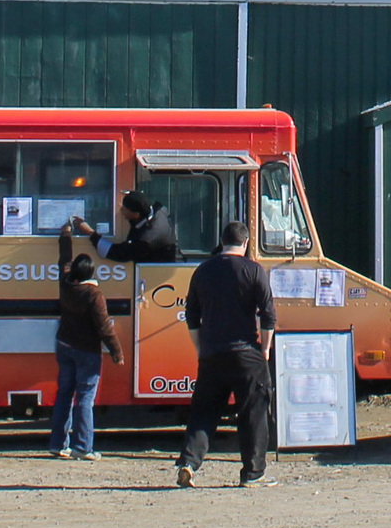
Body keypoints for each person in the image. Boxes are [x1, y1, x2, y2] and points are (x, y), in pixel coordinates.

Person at [175, 220, 276, 489]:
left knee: (204, 412)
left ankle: (189, 462)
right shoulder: (254, 270)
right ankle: (253, 474)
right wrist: (264, 349)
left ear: (221, 241)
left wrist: (200, 349)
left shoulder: (203, 271)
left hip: (211, 353)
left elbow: (192, 315)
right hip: (246, 353)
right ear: (246, 243)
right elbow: (268, 315)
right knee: (253, 413)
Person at [51, 256, 120, 459]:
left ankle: (57, 444)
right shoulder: (93, 294)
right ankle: (82, 447)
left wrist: (66, 237)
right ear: (91, 274)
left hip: (64, 345)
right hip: (87, 351)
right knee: (85, 398)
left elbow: (62, 261)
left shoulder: (65, 285)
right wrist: (116, 351)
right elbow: (104, 326)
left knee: (64, 394)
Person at [68, 191, 178, 263]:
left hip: (154, 271)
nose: (121, 210)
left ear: (136, 214)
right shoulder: (159, 209)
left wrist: (90, 232)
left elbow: (117, 253)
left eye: (125, 209)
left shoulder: (145, 240)